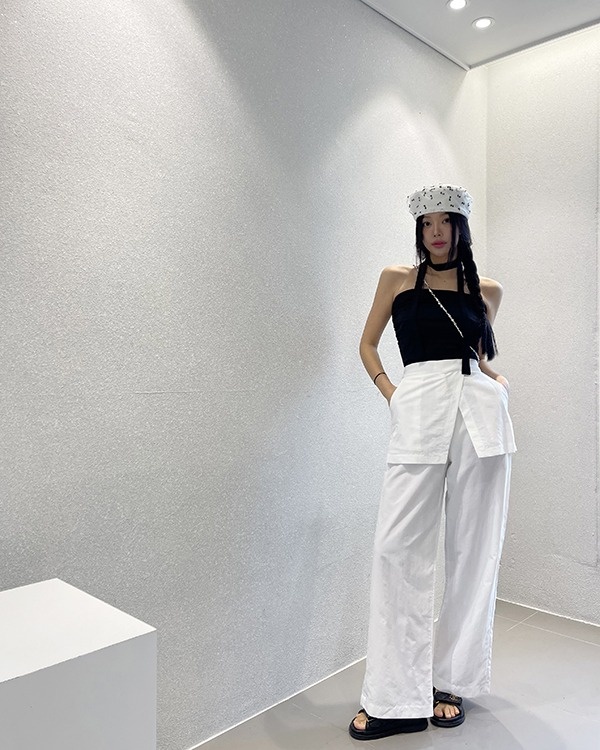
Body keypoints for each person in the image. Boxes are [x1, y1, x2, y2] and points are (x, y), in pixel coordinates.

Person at [349, 185, 516, 741]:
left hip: (479, 416)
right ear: (418, 229)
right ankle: (393, 697)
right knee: (395, 549)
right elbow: (368, 344)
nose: (435, 232)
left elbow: (477, 356)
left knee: (474, 550)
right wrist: (392, 394)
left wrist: (498, 382)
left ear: (460, 227)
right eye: (426, 223)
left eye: (445, 222)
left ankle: (451, 681)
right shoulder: (397, 279)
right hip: (418, 406)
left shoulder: (486, 289)